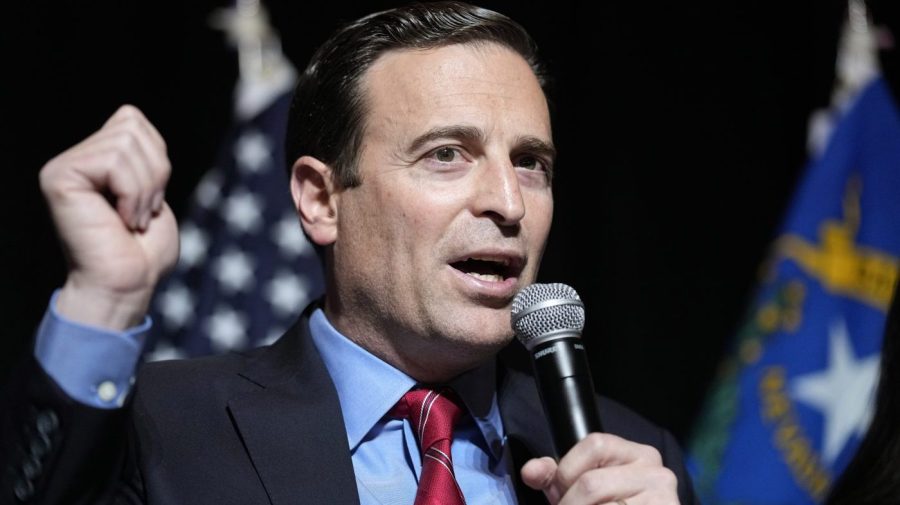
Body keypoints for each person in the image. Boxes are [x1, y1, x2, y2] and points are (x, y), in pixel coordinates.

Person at [1, 3, 697, 504]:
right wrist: (107, 300)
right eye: (447, 155)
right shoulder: (165, 424)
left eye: (531, 163)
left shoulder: (637, 460)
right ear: (319, 200)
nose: (508, 204)